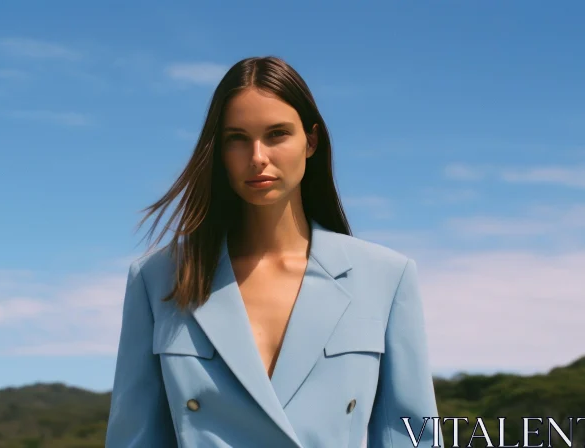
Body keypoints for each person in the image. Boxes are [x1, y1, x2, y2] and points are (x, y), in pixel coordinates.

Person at [105, 56, 441, 448]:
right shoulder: (159, 277)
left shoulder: (385, 276)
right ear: (218, 151)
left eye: (277, 134)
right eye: (237, 138)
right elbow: (135, 439)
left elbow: (410, 435)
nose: (257, 157)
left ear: (310, 141)